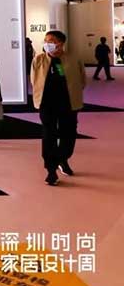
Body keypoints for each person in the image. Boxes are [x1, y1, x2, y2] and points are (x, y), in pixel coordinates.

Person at [31, 30, 86, 186]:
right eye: (45, 40)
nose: (46, 43)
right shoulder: (39, 60)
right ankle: (51, 170)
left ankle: (63, 158)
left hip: (68, 104)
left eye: (51, 41)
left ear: (60, 43)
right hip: (47, 104)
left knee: (69, 133)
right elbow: (34, 80)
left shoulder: (73, 59)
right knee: (49, 134)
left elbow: (82, 80)